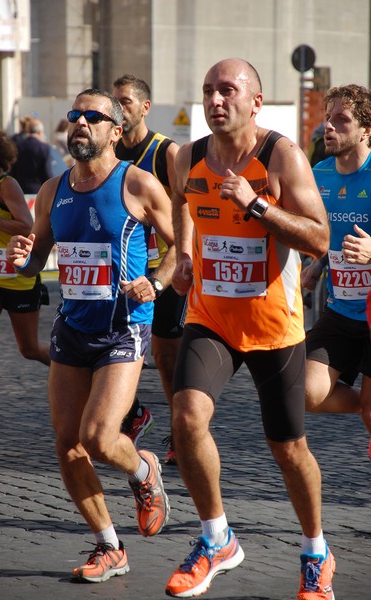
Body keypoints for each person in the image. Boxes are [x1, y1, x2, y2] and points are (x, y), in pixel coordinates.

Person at [166, 58, 333, 599]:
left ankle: (316, 551)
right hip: (210, 315)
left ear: (255, 101)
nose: (216, 100)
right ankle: (217, 538)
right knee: (187, 415)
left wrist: (257, 204)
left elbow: (319, 240)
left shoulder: (281, 156)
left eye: (228, 90)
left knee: (287, 448)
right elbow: (183, 204)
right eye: (209, 90)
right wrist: (184, 256)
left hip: (274, 326)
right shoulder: (188, 156)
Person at [6, 88, 174, 583]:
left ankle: (143, 470)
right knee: (67, 444)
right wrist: (25, 261)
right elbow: (39, 257)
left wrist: (156, 281)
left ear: (115, 131)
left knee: (98, 438)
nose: (80, 122)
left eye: (93, 116)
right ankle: (109, 546)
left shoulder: (139, 184)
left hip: (124, 327)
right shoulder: (55, 189)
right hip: (72, 327)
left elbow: (182, 250)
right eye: (75, 115)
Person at [113, 74, 184, 464]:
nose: (119, 108)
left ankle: (180, 431)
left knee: (166, 357)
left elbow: (184, 209)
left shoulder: (165, 152)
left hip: (164, 268)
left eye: (126, 101)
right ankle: (134, 413)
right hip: (123, 270)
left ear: (144, 107)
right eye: (115, 101)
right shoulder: (108, 150)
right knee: (108, 346)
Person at [301, 84, 371, 458]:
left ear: (366, 130)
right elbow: (327, 235)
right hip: (341, 310)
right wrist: (319, 263)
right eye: (328, 119)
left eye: (342, 119)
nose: (330, 127)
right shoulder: (319, 175)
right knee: (305, 393)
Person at [0, 124, 50, 444]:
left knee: (29, 349)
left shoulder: (6, 186)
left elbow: (28, 226)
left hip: (17, 277)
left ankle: (75, 367)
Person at [10, 116, 54, 193]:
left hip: (18, 189)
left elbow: (12, 171)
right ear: (40, 132)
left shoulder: (17, 146)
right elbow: (47, 173)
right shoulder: (44, 148)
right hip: (37, 191)